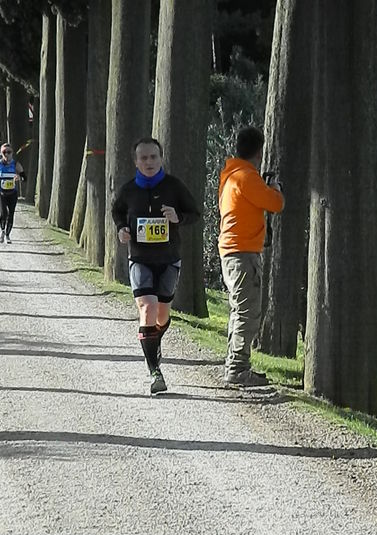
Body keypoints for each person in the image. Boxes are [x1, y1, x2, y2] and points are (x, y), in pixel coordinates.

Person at [112, 137, 200, 394]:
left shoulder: (174, 187)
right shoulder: (128, 190)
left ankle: (154, 339)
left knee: (161, 315)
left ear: (161, 158)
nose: (149, 162)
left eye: (153, 157)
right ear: (136, 162)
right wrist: (121, 230)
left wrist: (178, 217)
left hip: (169, 259)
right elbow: (117, 211)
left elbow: (194, 213)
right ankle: (155, 372)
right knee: (148, 308)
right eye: (143, 158)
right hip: (139, 259)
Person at [218, 126, 284, 386]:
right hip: (243, 253)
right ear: (260, 151)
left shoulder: (230, 175)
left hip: (232, 252)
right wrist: (276, 187)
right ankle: (238, 369)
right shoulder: (246, 176)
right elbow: (276, 204)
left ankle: (234, 365)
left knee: (239, 310)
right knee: (248, 312)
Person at [0, 143, 27, 244]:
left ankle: (7, 235)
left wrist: (19, 178)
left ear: (12, 153)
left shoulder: (16, 164)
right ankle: (2, 231)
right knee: (3, 213)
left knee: (11, 213)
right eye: (4, 152)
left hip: (12, 193)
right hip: (0, 192)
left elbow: (25, 178)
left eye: (9, 152)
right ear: (1, 153)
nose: (6, 154)